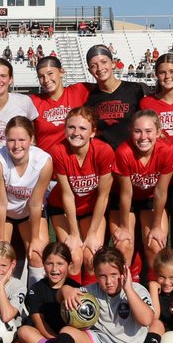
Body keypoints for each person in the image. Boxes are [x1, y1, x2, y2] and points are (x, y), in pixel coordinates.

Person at [37, 248, 157, 343]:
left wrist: (128, 289)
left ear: (123, 272)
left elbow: (146, 320)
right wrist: (65, 291)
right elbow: (62, 294)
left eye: (114, 275)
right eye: (102, 276)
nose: (108, 282)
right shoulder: (92, 291)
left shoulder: (137, 290)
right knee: (67, 331)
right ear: (95, 274)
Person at [47, 106, 115, 281]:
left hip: (91, 209)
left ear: (93, 132)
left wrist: (92, 233)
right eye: (71, 127)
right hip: (62, 207)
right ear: (65, 129)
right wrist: (74, 234)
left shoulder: (103, 151)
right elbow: (67, 194)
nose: (76, 132)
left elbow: (103, 195)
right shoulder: (58, 151)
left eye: (83, 128)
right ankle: (73, 304)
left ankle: (93, 303)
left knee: (92, 258)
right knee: (75, 258)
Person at [0, 116, 51, 282]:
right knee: (0, 258)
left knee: (37, 254)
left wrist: (35, 239)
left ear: (32, 139)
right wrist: (0, 239)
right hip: (1, 212)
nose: (16, 145)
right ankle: (1, 301)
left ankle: (35, 302)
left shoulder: (44, 162)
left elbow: (36, 203)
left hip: (30, 211)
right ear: (5, 140)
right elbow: (0, 202)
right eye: (11, 140)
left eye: (22, 139)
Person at [111, 110, 173, 279]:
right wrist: (125, 228)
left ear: (158, 132)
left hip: (151, 200)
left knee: (155, 245)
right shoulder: (124, 152)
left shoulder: (166, 150)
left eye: (148, 131)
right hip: (126, 201)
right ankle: (124, 295)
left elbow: (161, 192)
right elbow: (126, 193)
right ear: (131, 132)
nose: (143, 137)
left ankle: (155, 292)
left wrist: (156, 226)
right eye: (137, 131)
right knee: (124, 246)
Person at [84, 44, 144, 149]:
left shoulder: (135, 90)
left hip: (131, 155)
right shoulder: (89, 97)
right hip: (103, 158)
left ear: (112, 63)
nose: (100, 68)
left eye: (104, 62)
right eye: (94, 65)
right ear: (89, 71)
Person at [31, 55, 91, 155]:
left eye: (50, 73)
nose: (46, 80)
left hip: (74, 162)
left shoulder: (79, 90)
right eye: (41, 76)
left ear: (61, 72)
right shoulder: (34, 101)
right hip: (46, 164)